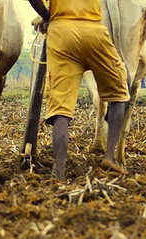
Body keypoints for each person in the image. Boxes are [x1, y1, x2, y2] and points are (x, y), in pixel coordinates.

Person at [28, 0, 130, 180]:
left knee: (60, 107)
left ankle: (58, 172)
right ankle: (109, 157)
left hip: (61, 33)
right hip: (94, 31)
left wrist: (47, 16)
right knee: (120, 94)